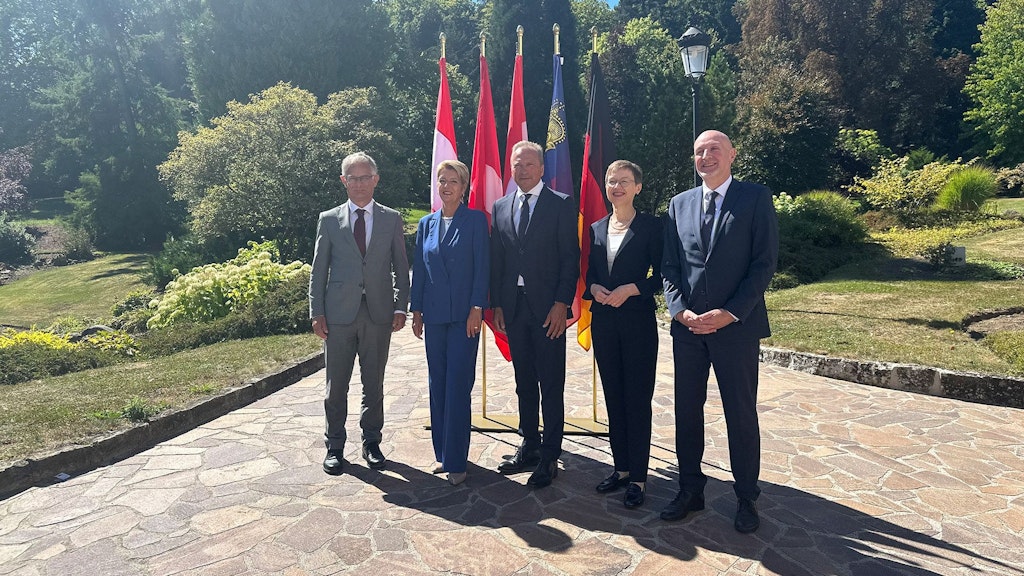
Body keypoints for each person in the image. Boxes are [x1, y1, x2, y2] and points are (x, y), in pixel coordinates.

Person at [661, 130, 779, 533]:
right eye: (699, 151)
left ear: (731, 155)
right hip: (689, 330)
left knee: (740, 414)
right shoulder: (679, 205)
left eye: (714, 149)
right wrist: (679, 311)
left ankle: (747, 496)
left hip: (735, 330)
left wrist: (730, 313)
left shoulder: (755, 198)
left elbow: (763, 264)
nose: (706, 157)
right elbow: (670, 268)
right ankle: (690, 489)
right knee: (686, 411)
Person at [309, 151, 410, 475]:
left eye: (365, 177)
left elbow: (401, 266)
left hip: (378, 314)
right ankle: (334, 446)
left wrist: (400, 305)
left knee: (373, 384)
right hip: (338, 316)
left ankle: (371, 442)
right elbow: (318, 269)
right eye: (353, 178)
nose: (360, 184)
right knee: (336, 385)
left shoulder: (391, 218)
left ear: (376, 180)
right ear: (343, 181)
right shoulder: (329, 219)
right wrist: (317, 311)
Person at [489, 140, 579, 488]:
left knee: (551, 382)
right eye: (517, 165)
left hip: (548, 310)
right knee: (523, 381)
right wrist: (498, 303)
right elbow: (499, 261)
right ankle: (529, 444)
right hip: (513, 307)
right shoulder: (500, 207)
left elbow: (570, 258)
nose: (522, 170)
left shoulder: (560, 204)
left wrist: (561, 303)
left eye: (529, 165)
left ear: (542, 169)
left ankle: (550, 455)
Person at [583, 160, 662, 509]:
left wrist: (632, 288)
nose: (617, 187)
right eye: (612, 181)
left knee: (636, 400)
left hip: (638, 325)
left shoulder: (653, 227)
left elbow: (662, 276)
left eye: (624, 181)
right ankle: (621, 469)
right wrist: (595, 286)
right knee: (614, 397)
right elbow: (589, 273)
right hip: (604, 323)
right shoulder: (597, 227)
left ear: (637, 187)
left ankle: (640, 478)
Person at [410, 160, 489, 486]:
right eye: (442, 180)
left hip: (463, 319)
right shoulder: (426, 224)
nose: (446, 186)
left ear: (464, 186)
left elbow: (482, 267)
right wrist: (416, 310)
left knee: (458, 386)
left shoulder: (475, 221)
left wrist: (477, 308)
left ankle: (457, 460)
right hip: (435, 316)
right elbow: (420, 270)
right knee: (437, 384)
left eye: (453, 181)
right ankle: (442, 453)